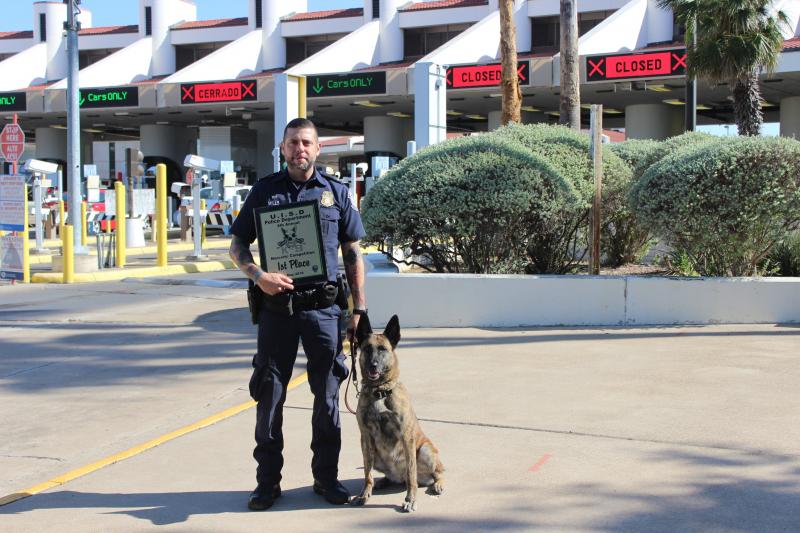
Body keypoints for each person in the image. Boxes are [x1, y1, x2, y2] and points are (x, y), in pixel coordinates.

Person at [229, 118, 367, 510]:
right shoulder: (264, 191)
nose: (299, 149)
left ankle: (326, 479)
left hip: (323, 311)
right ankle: (267, 483)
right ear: (282, 147)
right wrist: (258, 276)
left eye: (306, 142)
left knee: (326, 399)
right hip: (277, 311)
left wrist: (359, 310)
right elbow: (238, 244)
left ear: (318, 148)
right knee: (269, 397)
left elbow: (353, 254)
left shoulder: (336, 193)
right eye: (293, 143)